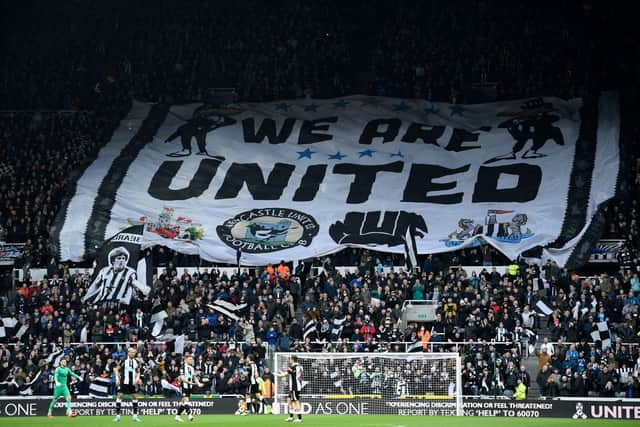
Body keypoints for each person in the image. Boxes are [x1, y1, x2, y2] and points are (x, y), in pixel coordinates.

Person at [82, 246, 150, 305]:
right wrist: (86, 297)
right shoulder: (104, 271)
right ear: (113, 261)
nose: (122, 261)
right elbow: (96, 285)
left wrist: (144, 289)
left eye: (123, 258)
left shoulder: (130, 272)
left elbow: (135, 283)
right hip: (104, 302)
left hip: (120, 304)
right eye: (119, 258)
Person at [113, 347, 142, 422]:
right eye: (131, 352)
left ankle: (135, 416)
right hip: (124, 382)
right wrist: (117, 379)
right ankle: (118, 416)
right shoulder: (123, 360)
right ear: (128, 353)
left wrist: (137, 379)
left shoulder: (136, 361)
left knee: (135, 397)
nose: (133, 353)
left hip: (133, 383)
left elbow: (138, 371)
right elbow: (116, 369)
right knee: (120, 396)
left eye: (134, 352)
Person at [175, 354, 203, 422]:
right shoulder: (182, 367)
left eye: (192, 359)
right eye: (190, 359)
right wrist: (190, 383)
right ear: (186, 360)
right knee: (186, 400)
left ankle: (177, 416)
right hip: (184, 386)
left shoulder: (191, 368)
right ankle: (189, 415)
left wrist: (198, 383)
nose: (191, 360)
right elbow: (182, 377)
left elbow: (194, 377)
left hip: (189, 387)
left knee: (183, 403)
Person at [277, 355, 303, 423]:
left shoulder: (293, 366)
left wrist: (278, 374)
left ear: (293, 359)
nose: (289, 360)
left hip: (295, 386)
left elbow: (284, 374)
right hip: (295, 386)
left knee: (296, 401)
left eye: (290, 359)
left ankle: (299, 418)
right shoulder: (299, 366)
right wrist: (282, 373)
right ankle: (291, 417)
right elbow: (290, 373)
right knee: (289, 399)